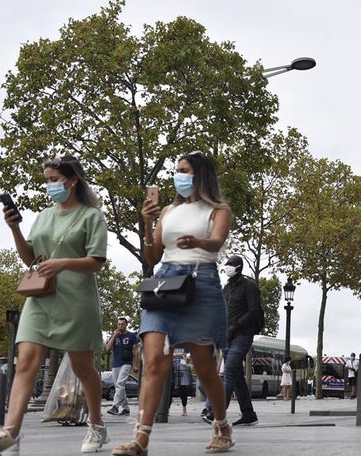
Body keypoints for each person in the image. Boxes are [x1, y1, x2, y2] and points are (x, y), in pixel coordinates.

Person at [0, 155, 108, 454]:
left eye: (54, 179)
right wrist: (15, 229)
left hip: (76, 300)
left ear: (73, 180)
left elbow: (96, 262)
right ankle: (9, 433)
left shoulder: (92, 216)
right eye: (47, 179)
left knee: (84, 369)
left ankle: (97, 424)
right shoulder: (44, 216)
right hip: (41, 296)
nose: (49, 185)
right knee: (26, 359)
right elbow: (31, 258)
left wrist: (62, 264)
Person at [113, 152, 234, 455]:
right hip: (164, 284)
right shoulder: (167, 210)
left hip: (200, 283)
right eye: (176, 170)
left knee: (205, 369)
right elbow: (152, 257)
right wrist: (147, 221)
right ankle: (141, 438)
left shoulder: (218, 210)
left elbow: (217, 242)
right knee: (154, 362)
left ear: (201, 175)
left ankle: (221, 424)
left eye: (184, 170)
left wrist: (198, 242)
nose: (178, 175)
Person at [202, 255, 261, 426]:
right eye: (226, 264)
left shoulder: (249, 286)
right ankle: (249, 414)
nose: (227, 267)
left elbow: (254, 311)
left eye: (230, 264)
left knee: (229, 372)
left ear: (239, 267)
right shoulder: (226, 288)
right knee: (236, 377)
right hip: (227, 337)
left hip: (242, 335)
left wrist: (234, 327)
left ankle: (216, 412)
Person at [105, 316, 139, 416]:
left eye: (122, 324)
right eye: (119, 324)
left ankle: (115, 406)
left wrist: (135, 365)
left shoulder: (132, 336)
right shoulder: (115, 335)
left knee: (120, 383)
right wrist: (115, 335)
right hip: (116, 364)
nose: (120, 326)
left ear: (126, 325)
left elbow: (136, 351)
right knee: (119, 387)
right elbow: (107, 348)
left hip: (126, 363)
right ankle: (126, 408)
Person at [171, 349, 193, 416]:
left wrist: (185, 357)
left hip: (183, 370)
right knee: (169, 390)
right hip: (172, 369)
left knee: (183, 391)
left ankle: (184, 409)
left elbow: (190, 355)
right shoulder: (171, 343)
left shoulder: (185, 345)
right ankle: (166, 409)